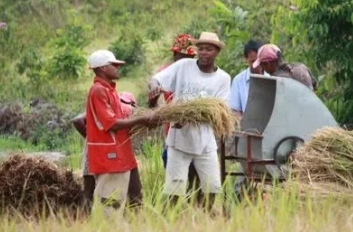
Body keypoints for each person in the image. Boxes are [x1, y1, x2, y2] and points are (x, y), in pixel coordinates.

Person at [149, 32, 231, 212]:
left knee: (212, 187)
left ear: (217, 52)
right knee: (174, 188)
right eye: (201, 49)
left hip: (205, 142)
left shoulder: (223, 79)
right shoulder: (183, 66)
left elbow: (218, 111)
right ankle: (170, 221)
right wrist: (154, 86)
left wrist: (188, 117)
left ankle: (201, 218)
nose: (203, 53)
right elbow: (157, 79)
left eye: (208, 49)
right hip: (179, 141)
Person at [85, 49, 159, 216]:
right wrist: (142, 120)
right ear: (103, 68)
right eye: (114, 65)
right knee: (110, 205)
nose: (118, 68)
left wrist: (145, 119)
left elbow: (121, 121)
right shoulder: (98, 90)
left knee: (135, 197)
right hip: (110, 155)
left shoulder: (110, 90)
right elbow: (111, 124)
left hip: (122, 152)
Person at [148, 34, 203, 205]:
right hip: (174, 133)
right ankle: (175, 216)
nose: (185, 61)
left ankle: (198, 215)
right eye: (181, 57)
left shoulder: (201, 71)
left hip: (198, 135)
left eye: (189, 57)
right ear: (174, 56)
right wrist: (153, 96)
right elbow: (152, 101)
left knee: (198, 180)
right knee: (176, 180)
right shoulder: (166, 72)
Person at [72, 91, 137, 214]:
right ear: (132, 103)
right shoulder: (126, 109)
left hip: (93, 150)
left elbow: (77, 120)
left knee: (88, 191)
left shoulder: (109, 106)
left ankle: (82, 222)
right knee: (112, 194)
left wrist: (92, 137)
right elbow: (78, 120)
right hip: (106, 153)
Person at [229, 39, 269, 118]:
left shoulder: (273, 77)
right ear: (246, 59)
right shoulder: (238, 80)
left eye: (260, 61)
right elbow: (235, 111)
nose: (257, 65)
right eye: (253, 61)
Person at [252, 44, 317, 90]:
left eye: (262, 65)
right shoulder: (301, 67)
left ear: (268, 64)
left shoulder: (275, 81)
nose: (263, 69)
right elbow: (314, 87)